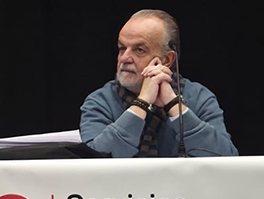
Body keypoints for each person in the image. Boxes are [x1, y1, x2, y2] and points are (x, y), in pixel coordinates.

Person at [79, 10, 238, 157]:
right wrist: (142, 103)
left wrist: (173, 104)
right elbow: (92, 162)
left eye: (139, 50)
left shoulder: (199, 98)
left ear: (167, 59)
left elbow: (226, 159)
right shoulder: (100, 101)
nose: (124, 58)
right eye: (122, 48)